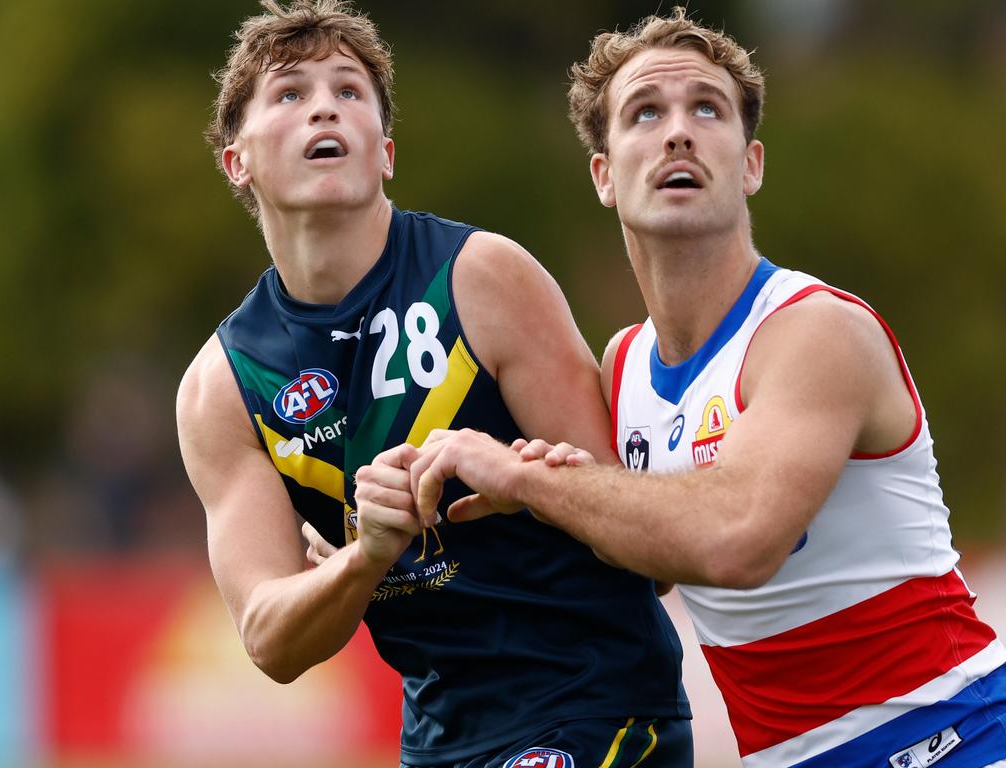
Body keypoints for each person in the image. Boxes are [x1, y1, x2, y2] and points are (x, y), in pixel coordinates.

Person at [408, 7, 1006, 768]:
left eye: (707, 107)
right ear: (604, 175)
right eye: (644, 113)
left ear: (751, 162)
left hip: (950, 743)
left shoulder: (813, 330)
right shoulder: (623, 363)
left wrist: (528, 478)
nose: (678, 131)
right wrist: (379, 542)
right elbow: (644, 558)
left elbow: (735, 538)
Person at [175, 2, 693, 766]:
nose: (325, 105)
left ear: (384, 152)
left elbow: (644, 553)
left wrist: (519, 480)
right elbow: (270, 639)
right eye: (289, 93)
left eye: (349, 91)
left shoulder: (483, 277)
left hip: (597, 707)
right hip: (439, 742)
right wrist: (367, 554)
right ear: (236, 160)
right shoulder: (222, 385)